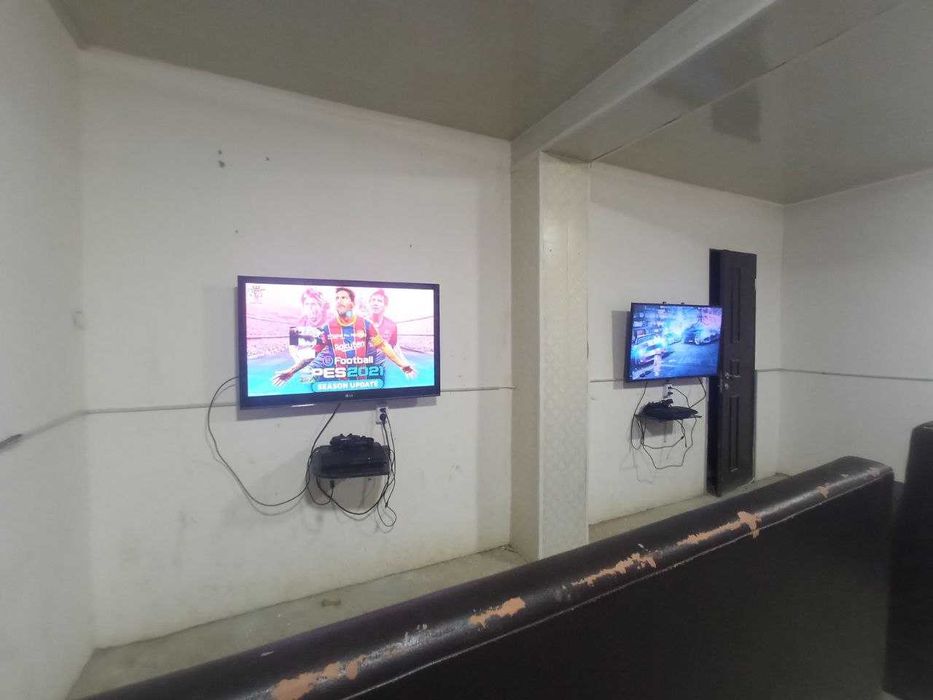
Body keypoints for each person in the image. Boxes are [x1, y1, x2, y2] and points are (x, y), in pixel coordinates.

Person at [272, 287, 415, 387]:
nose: (339, 300)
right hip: (338, 384)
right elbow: (312, 353)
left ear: (352, 304)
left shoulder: (366, 324)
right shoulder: (328, 328)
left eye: (343, 298)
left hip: (363, 385)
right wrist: (292, 370)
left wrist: (402, 364)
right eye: (337, 298)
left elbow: (383, 346)